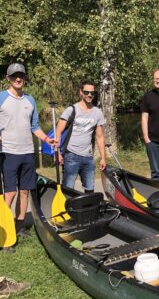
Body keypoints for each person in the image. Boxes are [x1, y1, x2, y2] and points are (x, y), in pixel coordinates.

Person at [0, 63, 56, 237]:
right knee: (9, 192)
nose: (18, 79)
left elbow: (35, 126)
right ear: (8, 78)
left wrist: (47, 139)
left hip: (27, 152)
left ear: (24, 78)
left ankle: (20, 226)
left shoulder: (30, 100)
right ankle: (4, 228)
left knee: (25, 191)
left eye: (21, 76)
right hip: (8, 152)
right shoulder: (1, 97)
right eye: (15, 76)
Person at [56, 81, 106, 193]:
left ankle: (87, 210)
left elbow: (100, 137)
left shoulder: (97, 113)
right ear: (81, 93)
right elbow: (58, 132)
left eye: (92, 93)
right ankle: (67, 210)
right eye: (86, 92)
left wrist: (103, 158)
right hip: (71, 156)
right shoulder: (71, 110)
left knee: (89, 190)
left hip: (88, 157)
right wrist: (57, 153)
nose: (89, 95)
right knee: (68, 190)